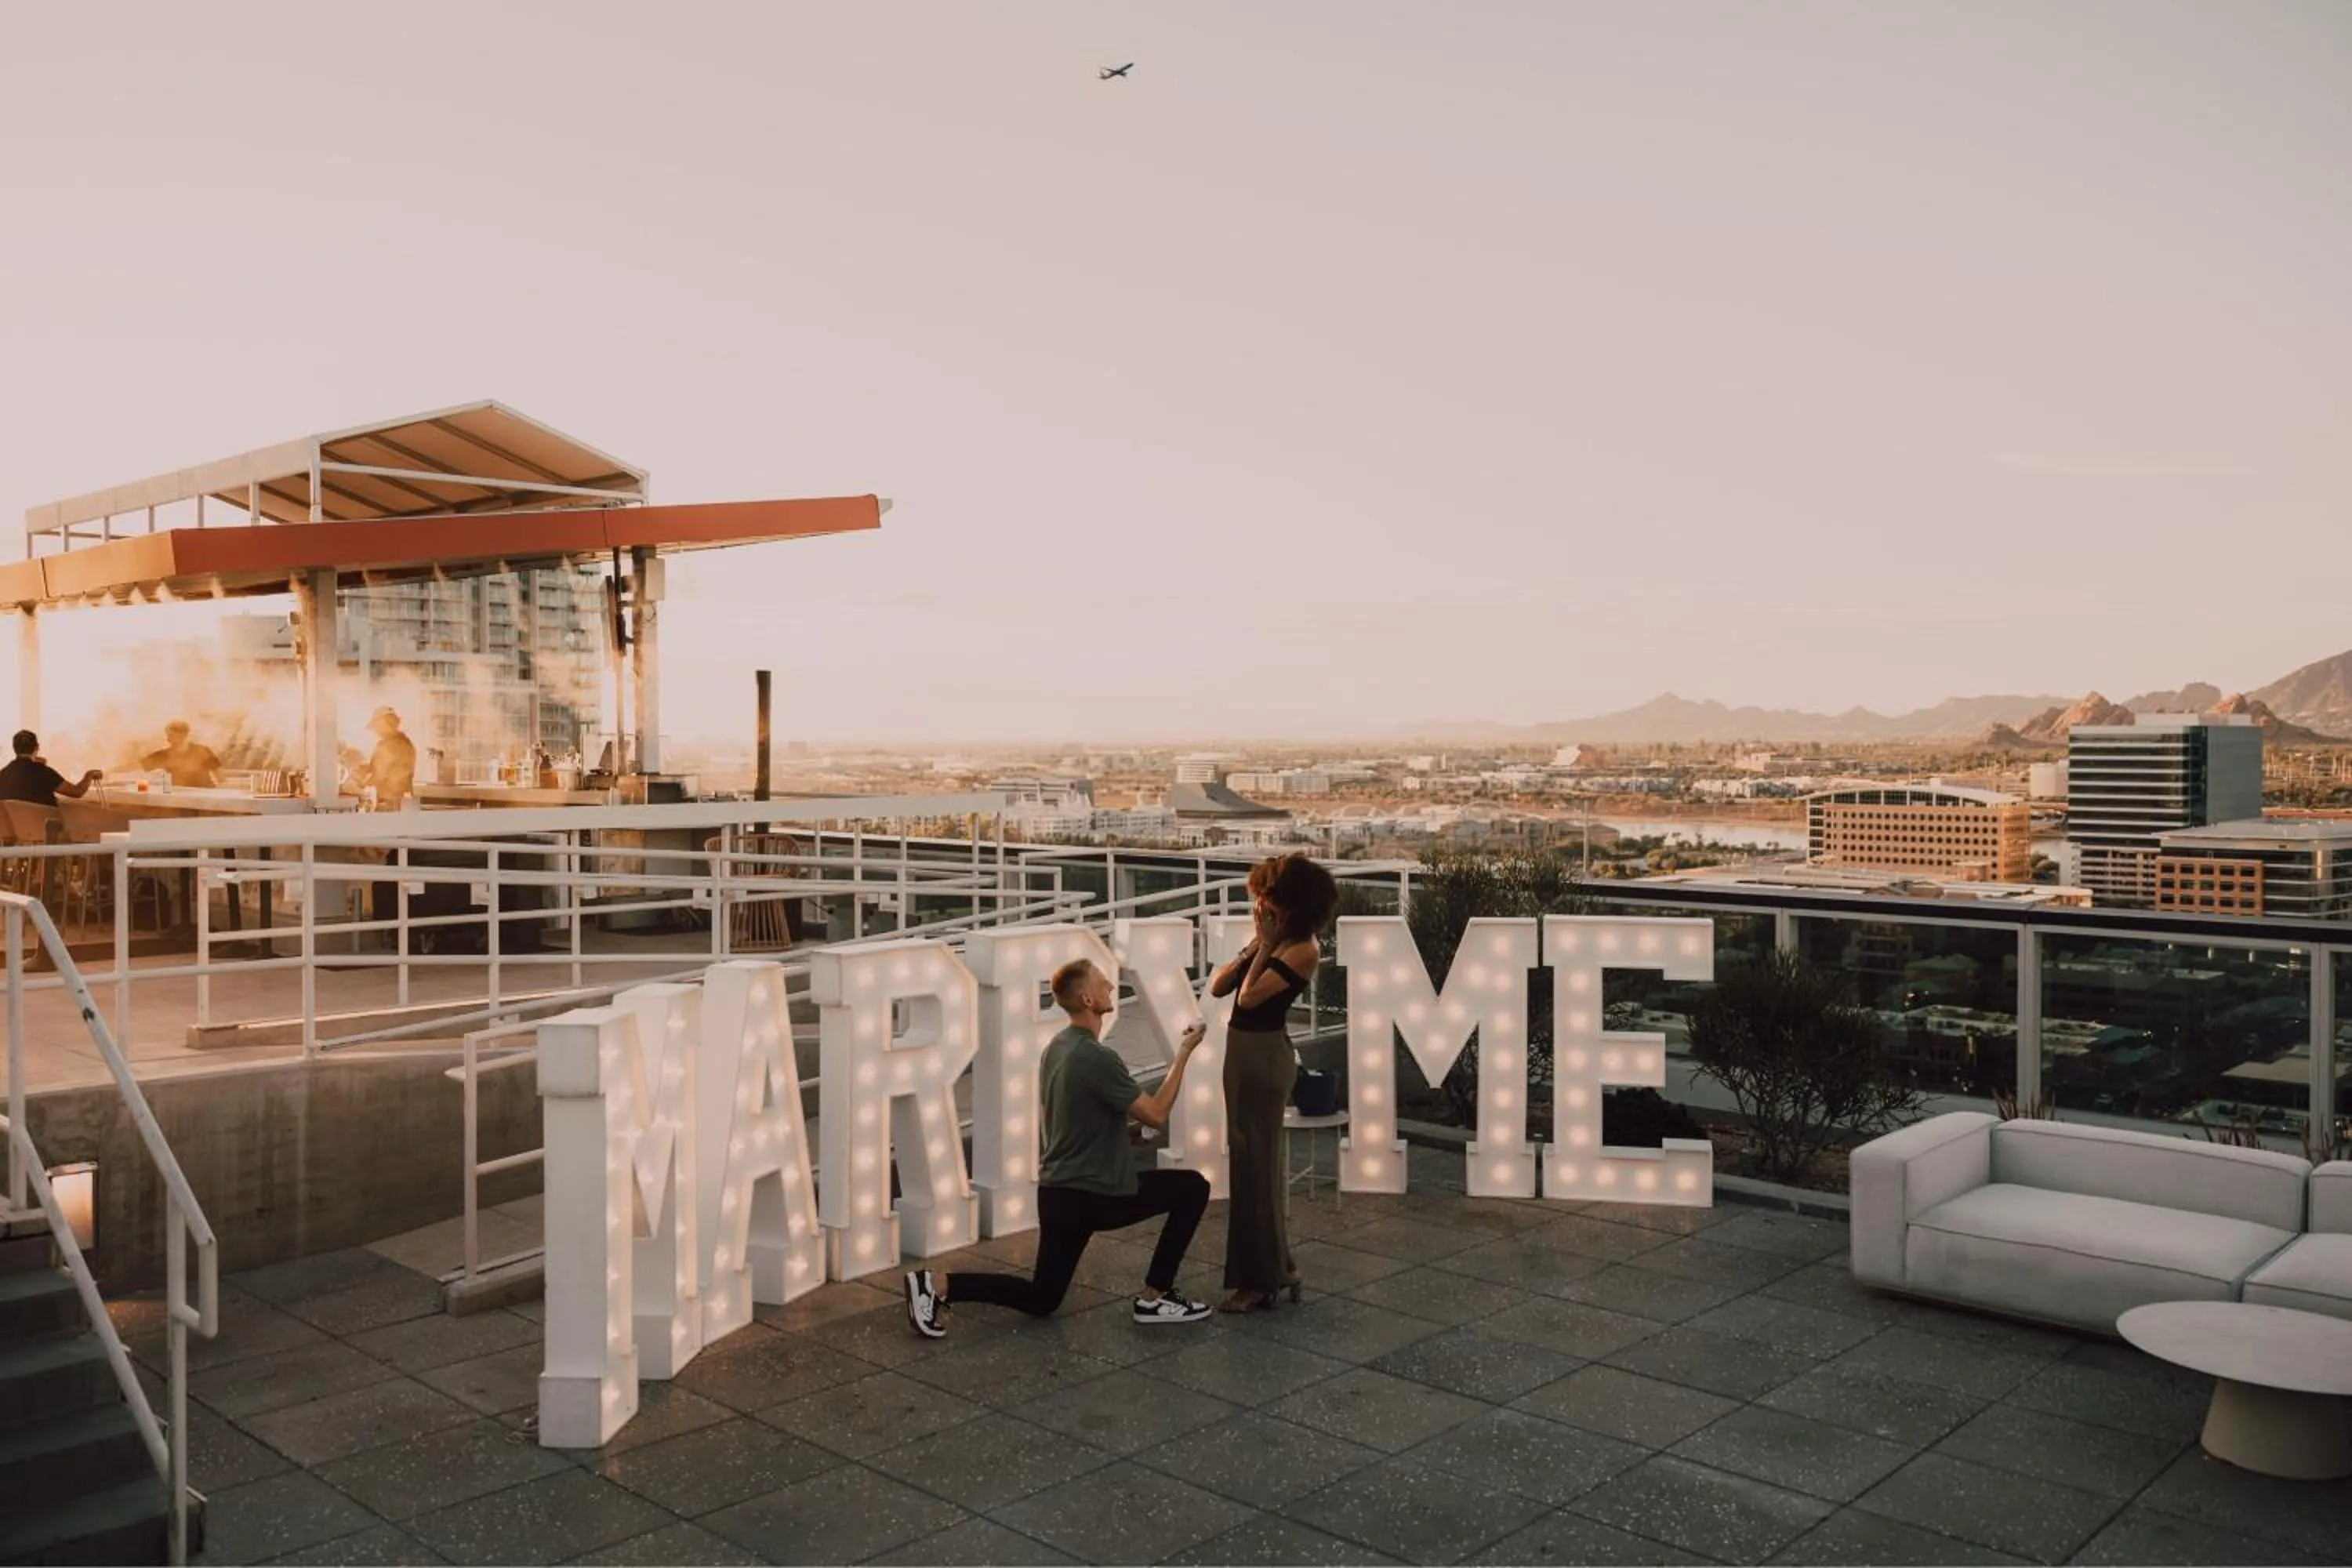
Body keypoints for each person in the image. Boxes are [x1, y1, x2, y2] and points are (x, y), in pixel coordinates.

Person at [906, 957, 1214, 1335]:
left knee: (1042, 1299)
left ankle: (938, 1285)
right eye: (1103, 984)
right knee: (1193, 1187)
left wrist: (1128, 1134)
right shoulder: (1097, 1057)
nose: (1111, 988)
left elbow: (1079, 1122)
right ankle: (1156, 1295)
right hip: (1095, 1195)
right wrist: (1184, 1053)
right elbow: (1156, 1112)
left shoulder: (1058, 1047)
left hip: (1059, 1194)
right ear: (1086, 999)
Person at [1210, 851, 1339, 1312]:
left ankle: (1261, 1282)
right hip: (1242, 1056)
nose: (1260, 908)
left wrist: (1264, 944)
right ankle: (1280, 1267)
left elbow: (1247, 999)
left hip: (1264, 1060)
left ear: (1292, 904)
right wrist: (1254, 944)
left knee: (1258, 1169)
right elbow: (1218, 987)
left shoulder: (1302, 950)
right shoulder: (1271, 941)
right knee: (1248, 1165)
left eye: (1267, 900)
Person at [0, 730, 101, 808]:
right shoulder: (44, 773)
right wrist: (89, 775)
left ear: (14, 748)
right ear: (37, 747)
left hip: (15, 832)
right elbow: (77, 792)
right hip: (47, 831)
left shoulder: (3, 774)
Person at [354, 707, 416, 808]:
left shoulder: (392, 745)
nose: (376, 731)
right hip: (400, 801)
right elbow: (381, 767)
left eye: (377, 726)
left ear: (385, 724)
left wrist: (360, 784)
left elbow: (380, 775)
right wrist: (365, 768)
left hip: (391, 803)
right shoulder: (403, 742)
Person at [140, 720, 222, 789]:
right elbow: (140, 767)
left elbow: (219, 774)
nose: (168, 739)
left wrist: (220, 791)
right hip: (179, 797)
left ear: (183, 735)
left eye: (171, 735)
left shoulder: (202, 751)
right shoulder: (165, 755)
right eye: (167, 735)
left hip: (204, 795)